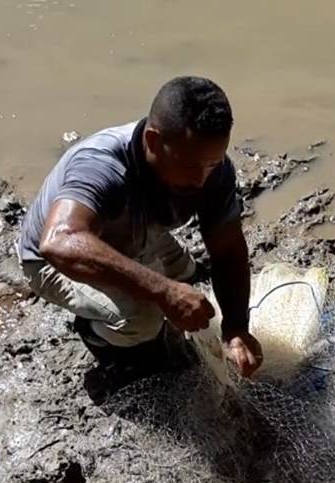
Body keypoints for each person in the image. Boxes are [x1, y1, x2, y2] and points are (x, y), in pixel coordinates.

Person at [16, 76, 263, 391]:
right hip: (52, 260)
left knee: (192, 279)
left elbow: (227, 250)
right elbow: (59, 242)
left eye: (212, 164)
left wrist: (236, 327)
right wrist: (163, 291)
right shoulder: (102, 163)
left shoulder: (213, 172)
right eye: (190, 165)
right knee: (143, 320)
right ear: (154, 141)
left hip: (138, 231)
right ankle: (95, 333)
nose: (202, 179)